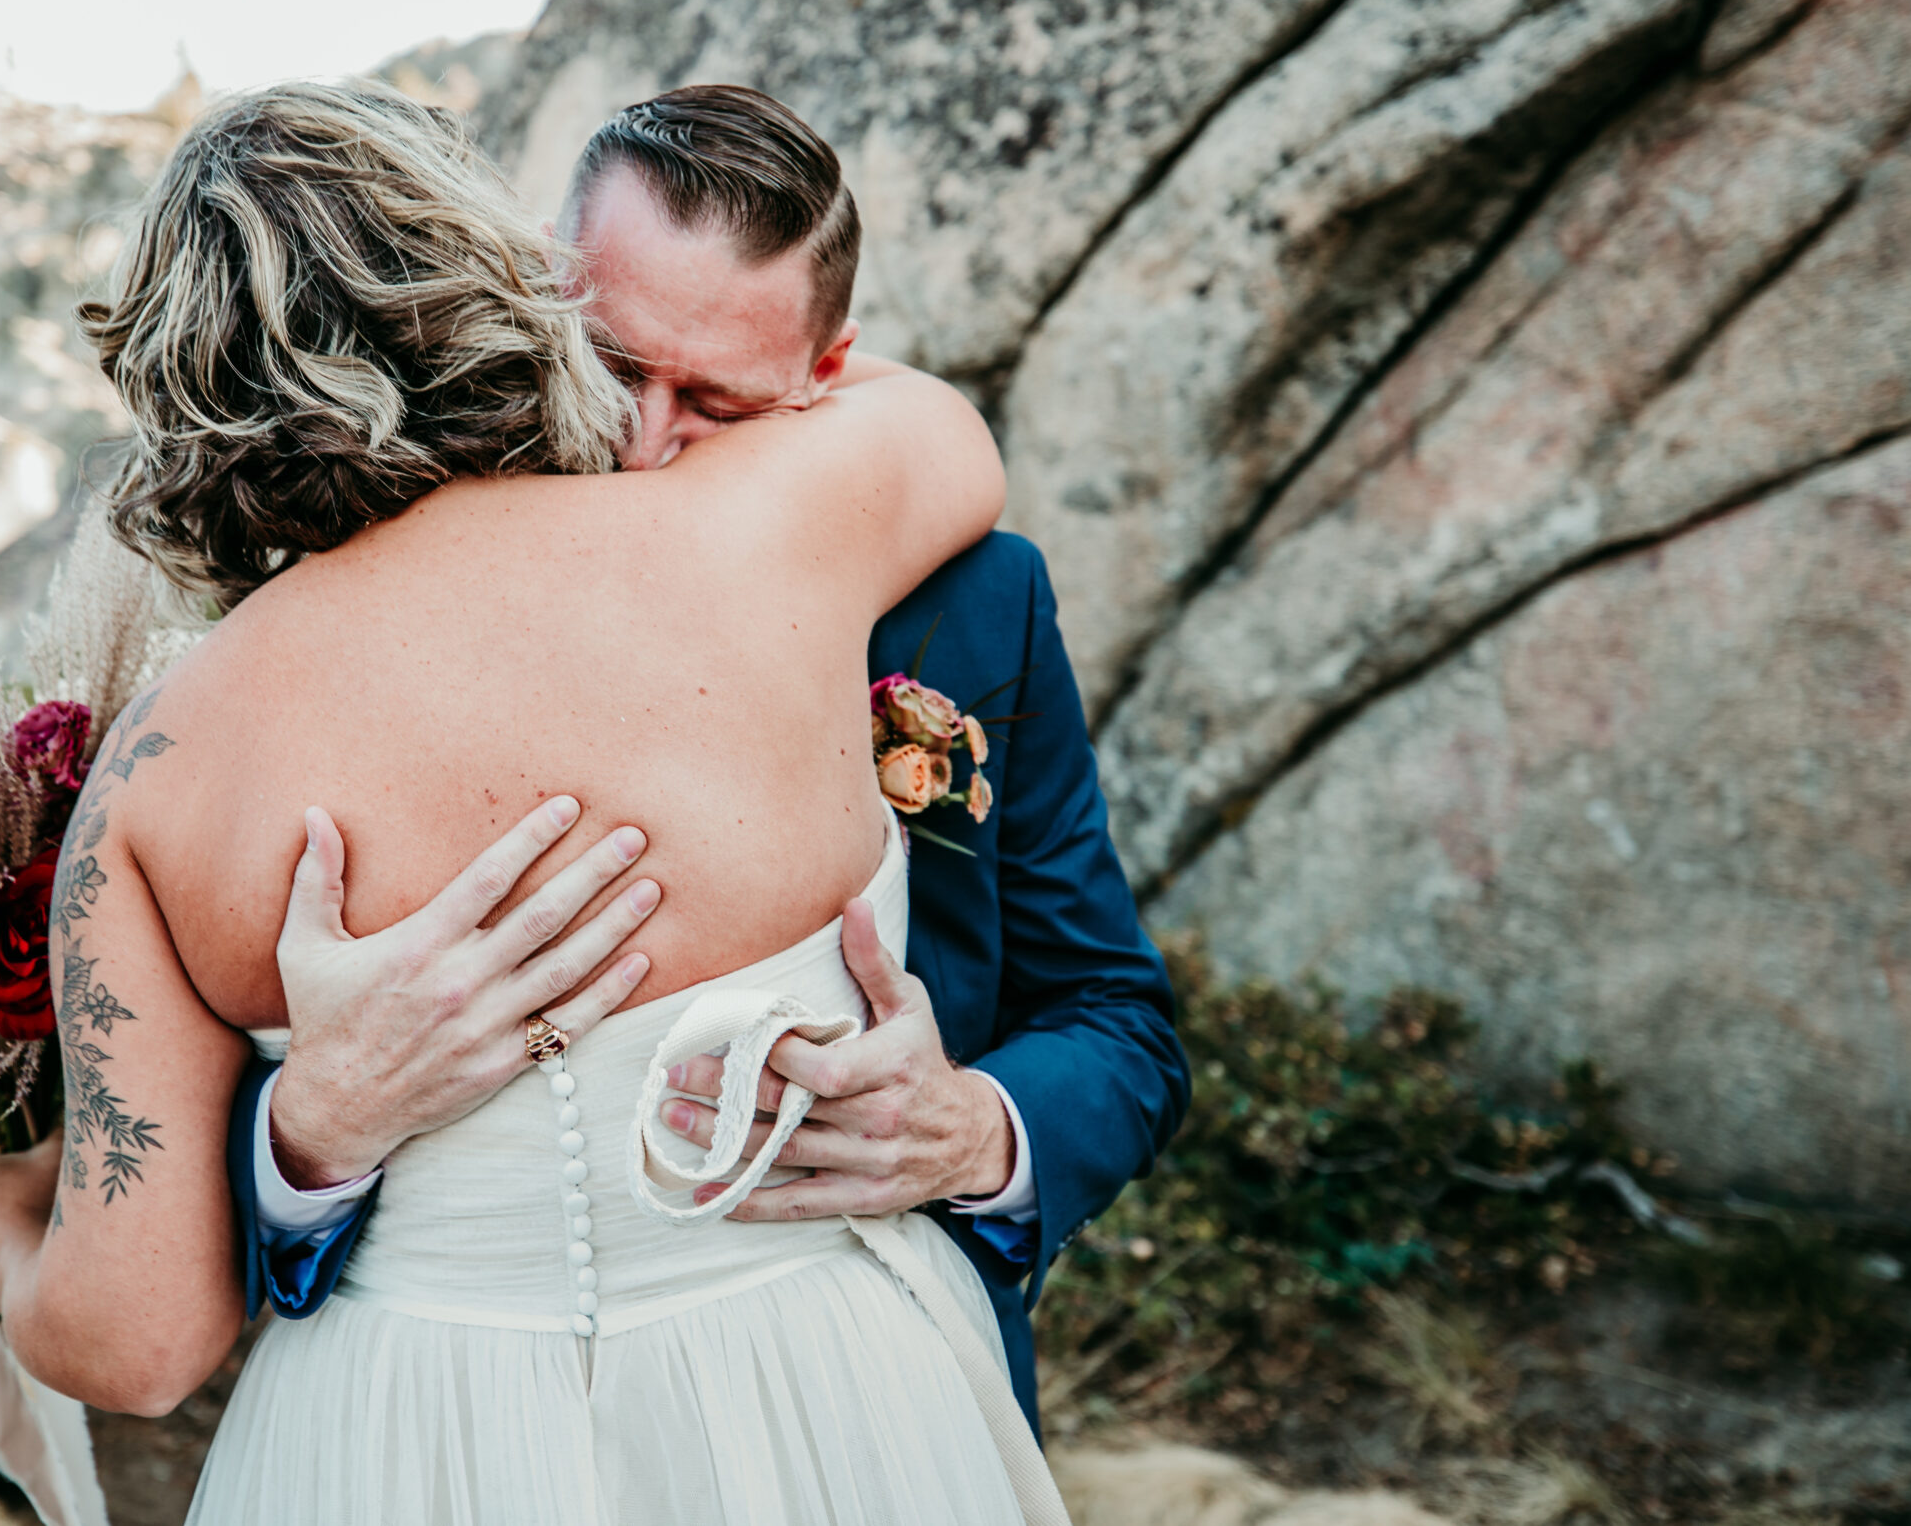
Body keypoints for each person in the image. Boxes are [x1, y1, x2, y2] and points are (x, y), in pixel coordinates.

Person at [0, 78, 1070, 1523]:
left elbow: (136, 1347)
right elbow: (932, 418)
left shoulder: (151, 788)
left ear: (167, 392)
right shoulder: (775, 530)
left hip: (399, 1439)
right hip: (830, 1401)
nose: (658, 422)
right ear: (512, 285)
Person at [227, 86, 1191, 1432]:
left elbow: (1116, 1019)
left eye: (717, 403)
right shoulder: (373, 588)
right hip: (468, 1422)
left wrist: (975, 1129)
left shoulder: (973, 606)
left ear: (826, 376)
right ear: (541, 291)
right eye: (612, 364)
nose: (641, 439)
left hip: (879, 1402)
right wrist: (305, 1138)